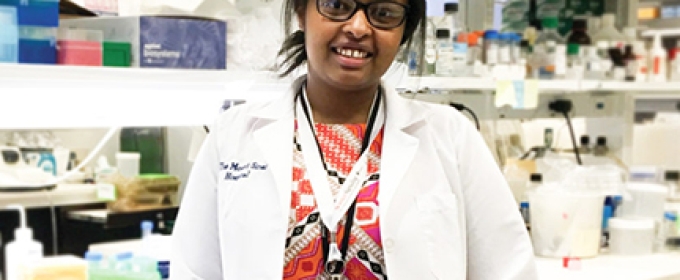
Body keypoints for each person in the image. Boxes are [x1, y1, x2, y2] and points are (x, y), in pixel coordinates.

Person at [171, 0, 537, 279]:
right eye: (337, 5)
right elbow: (193, 270)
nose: (359, 27)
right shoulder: (233, 134)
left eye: (384, 12)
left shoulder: (449, 135)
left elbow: (508, 268)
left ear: (403, 30)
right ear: (301, 12)